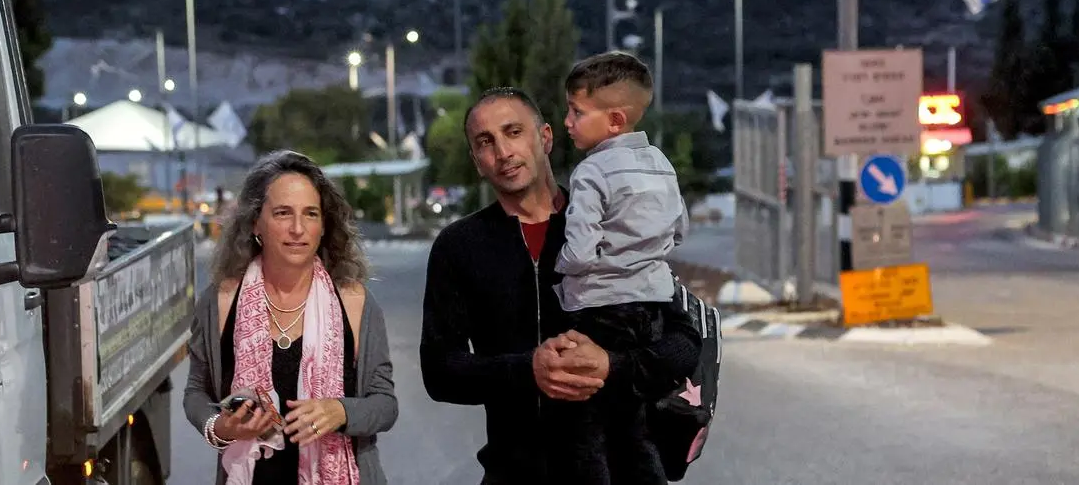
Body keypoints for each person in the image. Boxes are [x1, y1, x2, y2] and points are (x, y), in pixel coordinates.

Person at [419, 86, 702, 485]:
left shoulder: (611, 224)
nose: (502, 152)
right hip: (514, 473)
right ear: (477, 161)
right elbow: (440, 370)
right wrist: (527, 370)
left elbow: (685, 341)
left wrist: (613, 367)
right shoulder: (459, 247)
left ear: (546, 138)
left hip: (622, 471)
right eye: (486, 142)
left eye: (514, 132)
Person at [184, 150, 398, 485]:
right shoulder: (222, 300)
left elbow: (385, 404)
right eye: (283, 213)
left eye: (310, 214)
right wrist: (219, 427)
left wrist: (341, 412)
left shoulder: (354, 301)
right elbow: (197, 392)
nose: (298, 228)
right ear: (256, 222)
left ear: (323, 225)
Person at [553, 51, 689, 480]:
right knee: (636, 428)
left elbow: (578, 250)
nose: (567, 122)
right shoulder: (660, 164)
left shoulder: (592, 172)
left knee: (587, 430)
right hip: (652, 311)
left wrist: (558, 270)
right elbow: (679, 229)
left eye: (576, 112)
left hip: (601, 314)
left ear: (614, 120)